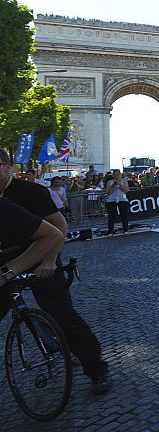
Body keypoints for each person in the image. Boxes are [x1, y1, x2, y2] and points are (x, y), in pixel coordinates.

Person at [0, 149, 113, 395]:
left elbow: (59, 227)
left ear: (8, 167)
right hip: (6, 263)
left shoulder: (31, 191)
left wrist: (50, 261)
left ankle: (96, 369)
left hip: (41, 258)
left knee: (63, 314)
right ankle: (48, 340)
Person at [104, 169, 130, 235]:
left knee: (124, 215)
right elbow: (108, 192)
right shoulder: (110, 182)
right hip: (112, 200)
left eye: (117, 175)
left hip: (122, 199)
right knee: (112, 216)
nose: (116, 176)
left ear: (120, 175)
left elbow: (126, 190)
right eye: (115, 175)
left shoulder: (124, 180)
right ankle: (111, 230)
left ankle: (125, 230)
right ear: (113, 175)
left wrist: (120, 185)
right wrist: (113, 186)